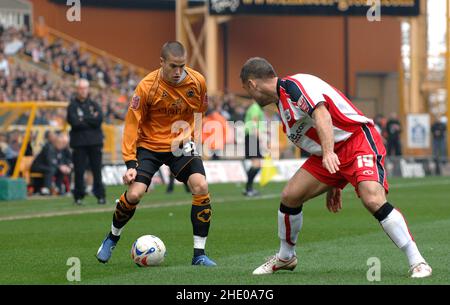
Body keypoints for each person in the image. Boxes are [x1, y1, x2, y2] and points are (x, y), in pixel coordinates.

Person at [239, 57, 432, 278]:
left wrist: (329, 153)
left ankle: (417, 261)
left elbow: (322, 114)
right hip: (328, 153)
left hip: (357, 140)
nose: (249, 95)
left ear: (252, 83)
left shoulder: (295, 86)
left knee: (372, 199)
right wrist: (334, 181)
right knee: (290, 196)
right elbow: (315, 135)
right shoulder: (282, 107)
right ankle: (286, 256)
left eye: (246, 89)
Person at [96, 41, 216, 266]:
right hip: (149, 145)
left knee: (201, 185)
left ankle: (199, 254)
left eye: (182, 66)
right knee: (134, 195)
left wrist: (194, 138)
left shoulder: (197, 81)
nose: (179, 71)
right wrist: (130, 163)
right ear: (161, 63)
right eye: (173, 66)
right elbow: (132, 124)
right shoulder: (146, 86)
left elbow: (201, 110)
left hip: (180, 144)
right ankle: (112, 237)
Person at [67, 78, 106, 205]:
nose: (83, 91)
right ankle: (78, 197)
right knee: (79, 170)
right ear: (77, 89)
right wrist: (90, 119)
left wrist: (83, 118)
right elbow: (74, 122)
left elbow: (99, 119)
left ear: (88, 89)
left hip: (95, 142)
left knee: (96, 170)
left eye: (85, 88)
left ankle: (100, 196)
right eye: (80, 88)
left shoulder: (94, 104)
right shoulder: (72, 106)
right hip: (79, 143)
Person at [243, 101, 266, 196]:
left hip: (252, 137)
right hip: (252, 137)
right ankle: (248, 189)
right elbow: (254, 123)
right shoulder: (256, 108)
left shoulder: (255, 107)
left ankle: (248, 188)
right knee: (257, 164)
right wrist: (259, 138)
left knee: (257, 163)